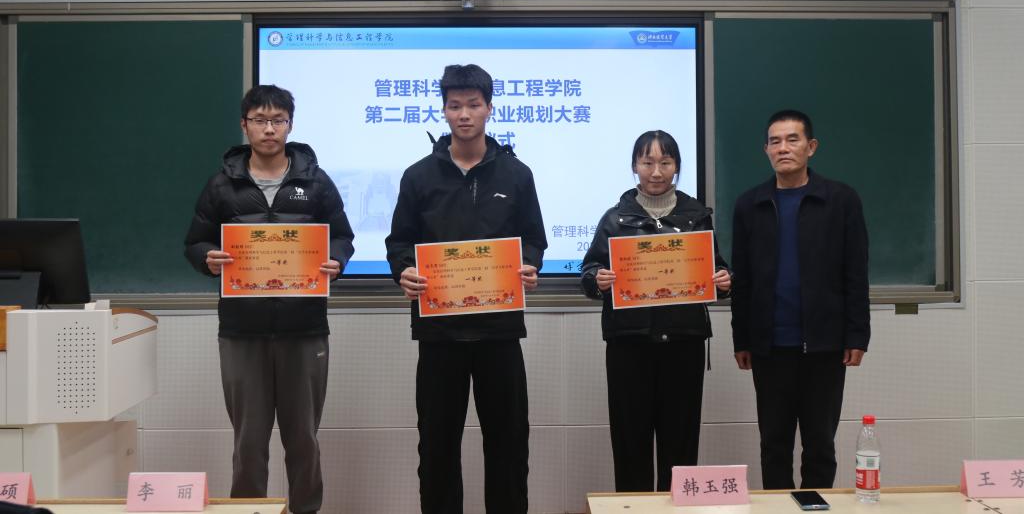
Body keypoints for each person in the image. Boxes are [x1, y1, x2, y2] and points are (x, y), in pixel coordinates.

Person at [184, 85, 354, 514]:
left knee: (304, 440)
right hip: (242, 331)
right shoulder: (222, 185)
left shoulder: (316, 182)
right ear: (244, 126)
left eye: (278, 120)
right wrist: (207, 258)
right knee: (248, 441)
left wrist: (336, 258)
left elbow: (342, 236)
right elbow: (195, 242)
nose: (269, 129)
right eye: (260, 120)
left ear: (290, 125)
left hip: (304, 328)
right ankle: (249, 510)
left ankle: (306, 509)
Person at [385, 64, 547, 514]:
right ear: (443, 110)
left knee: (509, 445)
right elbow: (399, 243)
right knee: (437, 448)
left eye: (473, 105)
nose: (464, 114)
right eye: (455, 105)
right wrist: (404, 270)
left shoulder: (516, 174)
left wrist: (530, 265)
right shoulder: (418, 176)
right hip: (440, 334)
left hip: (499, 331)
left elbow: (533, 239)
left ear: (489, 108)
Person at [580, 130, 732, 492]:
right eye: (648, 162)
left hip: (684, 342)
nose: (657, 171)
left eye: (665, 162)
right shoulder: (615, 218)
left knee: (680, 441)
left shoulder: (697, 216)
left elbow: (718, 270)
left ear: (677, 165)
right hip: (629, 343)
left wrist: (725, 281)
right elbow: (588, 273)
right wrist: (598, 280)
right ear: (635, 166)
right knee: (629, 440)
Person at [730, 109, 869, 490]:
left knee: (820, 444)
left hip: (824, 344)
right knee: (773, 444)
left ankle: (815, 507)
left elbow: (856, 273)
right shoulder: (750, 204)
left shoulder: (840, 200)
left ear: (811, 147)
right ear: (765, 150)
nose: (783, 148)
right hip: (769, 346)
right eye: (774, 141)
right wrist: (741, 339)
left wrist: (857, 335)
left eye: (792, 140)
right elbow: (742, 280)